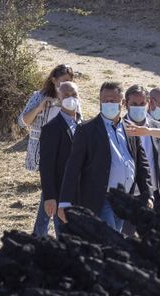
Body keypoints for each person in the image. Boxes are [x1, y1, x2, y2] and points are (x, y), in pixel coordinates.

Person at [56, 80, 150, 234]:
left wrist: (148, 195)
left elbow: (141, 164)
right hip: (101, 200)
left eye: (113, 100)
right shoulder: (87, 130)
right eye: (105, 100)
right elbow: (73, 166)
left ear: (123, 103)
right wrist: (64, 201)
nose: (108, 104)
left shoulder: (130, 129)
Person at [19, 64, 73, 237]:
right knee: (51, 192)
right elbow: (22, 122)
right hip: (43, 153)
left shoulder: (71, 98)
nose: (65, 85)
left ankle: (39, 235)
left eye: (69, 81)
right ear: (53, 80)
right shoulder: (39, 96)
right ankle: (46, 235)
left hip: (64, 155)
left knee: (50, 192)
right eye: (62, 81)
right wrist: (39, 108)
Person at [36, 81, 80, 238]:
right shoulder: (51, 128)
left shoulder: (84, 126)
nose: (70, 98)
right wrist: (49, 197)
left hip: (82, 194)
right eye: (66, 95)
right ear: (59, 98)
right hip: (62, 195)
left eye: (74, 94)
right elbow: (46, 166)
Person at [124, 84, 160, 213]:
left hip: (156, 194)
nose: (138, 107)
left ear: (148, 103)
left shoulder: (157, 128)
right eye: (134, 104)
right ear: (126, 104)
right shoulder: (119, 128)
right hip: (130, 195)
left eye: (142, 103)